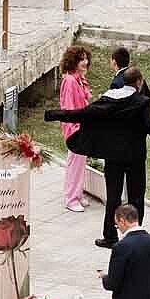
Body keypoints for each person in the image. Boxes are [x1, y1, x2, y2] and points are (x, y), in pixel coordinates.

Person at [44, 67, 150, 249]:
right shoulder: (142, 102)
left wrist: (53, 114)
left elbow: (82, 114)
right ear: (139, 82)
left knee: (113, 197)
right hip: (135, 157)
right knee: (136, 196)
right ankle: (136, 237)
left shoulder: (108, 100)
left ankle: (110, 237)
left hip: (113, 156)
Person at [58, 45, 93, 213]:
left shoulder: (79, 78)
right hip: (75, 128)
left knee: (80, 163)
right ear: (74, 61)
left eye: (86, 59)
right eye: (81, 59)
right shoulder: (70, 81)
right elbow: (68, 107)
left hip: (83, 127)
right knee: (75, 163)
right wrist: (74, 128)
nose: (85, 62)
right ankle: (71, 198)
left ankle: (76, 194)